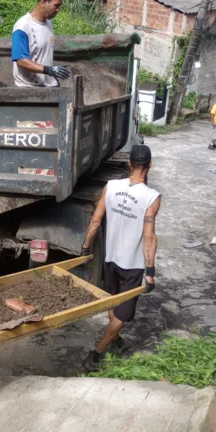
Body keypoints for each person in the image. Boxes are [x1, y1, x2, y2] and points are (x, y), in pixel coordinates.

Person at [80, 144, 162, 372]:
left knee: (114, 302)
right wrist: (150, 271)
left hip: (111, 258)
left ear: (129, 163)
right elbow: (149, 236)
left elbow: (95, 220)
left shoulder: (111, 186)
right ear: (150, 165)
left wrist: (85, 247)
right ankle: (96, 355)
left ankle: (115, 340)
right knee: (122, 316)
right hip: (132, 265)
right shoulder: (152, 197)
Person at [11, 0, 70, 87]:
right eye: (56, 5)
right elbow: (21, 60)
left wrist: (51, 71)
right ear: (44, 2)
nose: (58, 9)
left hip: (50, 85)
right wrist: (48, 70)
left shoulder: (48, 23)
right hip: (30, 89)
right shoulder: (23, 26)